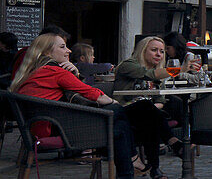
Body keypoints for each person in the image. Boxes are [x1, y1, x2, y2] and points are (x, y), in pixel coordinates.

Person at [13, 33, 143, 179]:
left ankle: (130, 168)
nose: (68, 51)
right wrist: (115, 103)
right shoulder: (55, 71)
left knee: (118, 130)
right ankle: (133, 159)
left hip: (40, 128)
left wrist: (74, 74)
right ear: (46, 52)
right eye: (63, 47)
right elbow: (94, 95)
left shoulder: (33, 72)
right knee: (118, 113)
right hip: (58, 130)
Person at [113, 36, 187, 179]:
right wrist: (180, 69)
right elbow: (147, 75)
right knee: (145, 106)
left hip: (145, 116)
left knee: (151, 118)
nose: (159, 54)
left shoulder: (158, 71)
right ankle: (172, 142)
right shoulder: (128, 65)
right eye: (154, 50)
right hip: (122, 113)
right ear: (142, 51)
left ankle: (154, 168)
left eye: (161, 51)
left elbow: (160, 100)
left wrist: (152, 109)